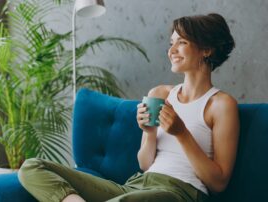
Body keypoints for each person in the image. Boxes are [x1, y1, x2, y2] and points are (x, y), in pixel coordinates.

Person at [18, 13, 239, 202]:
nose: (172, 50)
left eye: (182, 42)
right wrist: (149, 132)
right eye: (171, 42)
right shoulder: (160, 94)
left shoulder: (221, 105)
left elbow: (218, 183)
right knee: (32, 167)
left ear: (206, 50)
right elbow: (144, 164)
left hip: (178, 192)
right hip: (136, 186)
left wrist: (181, 133)